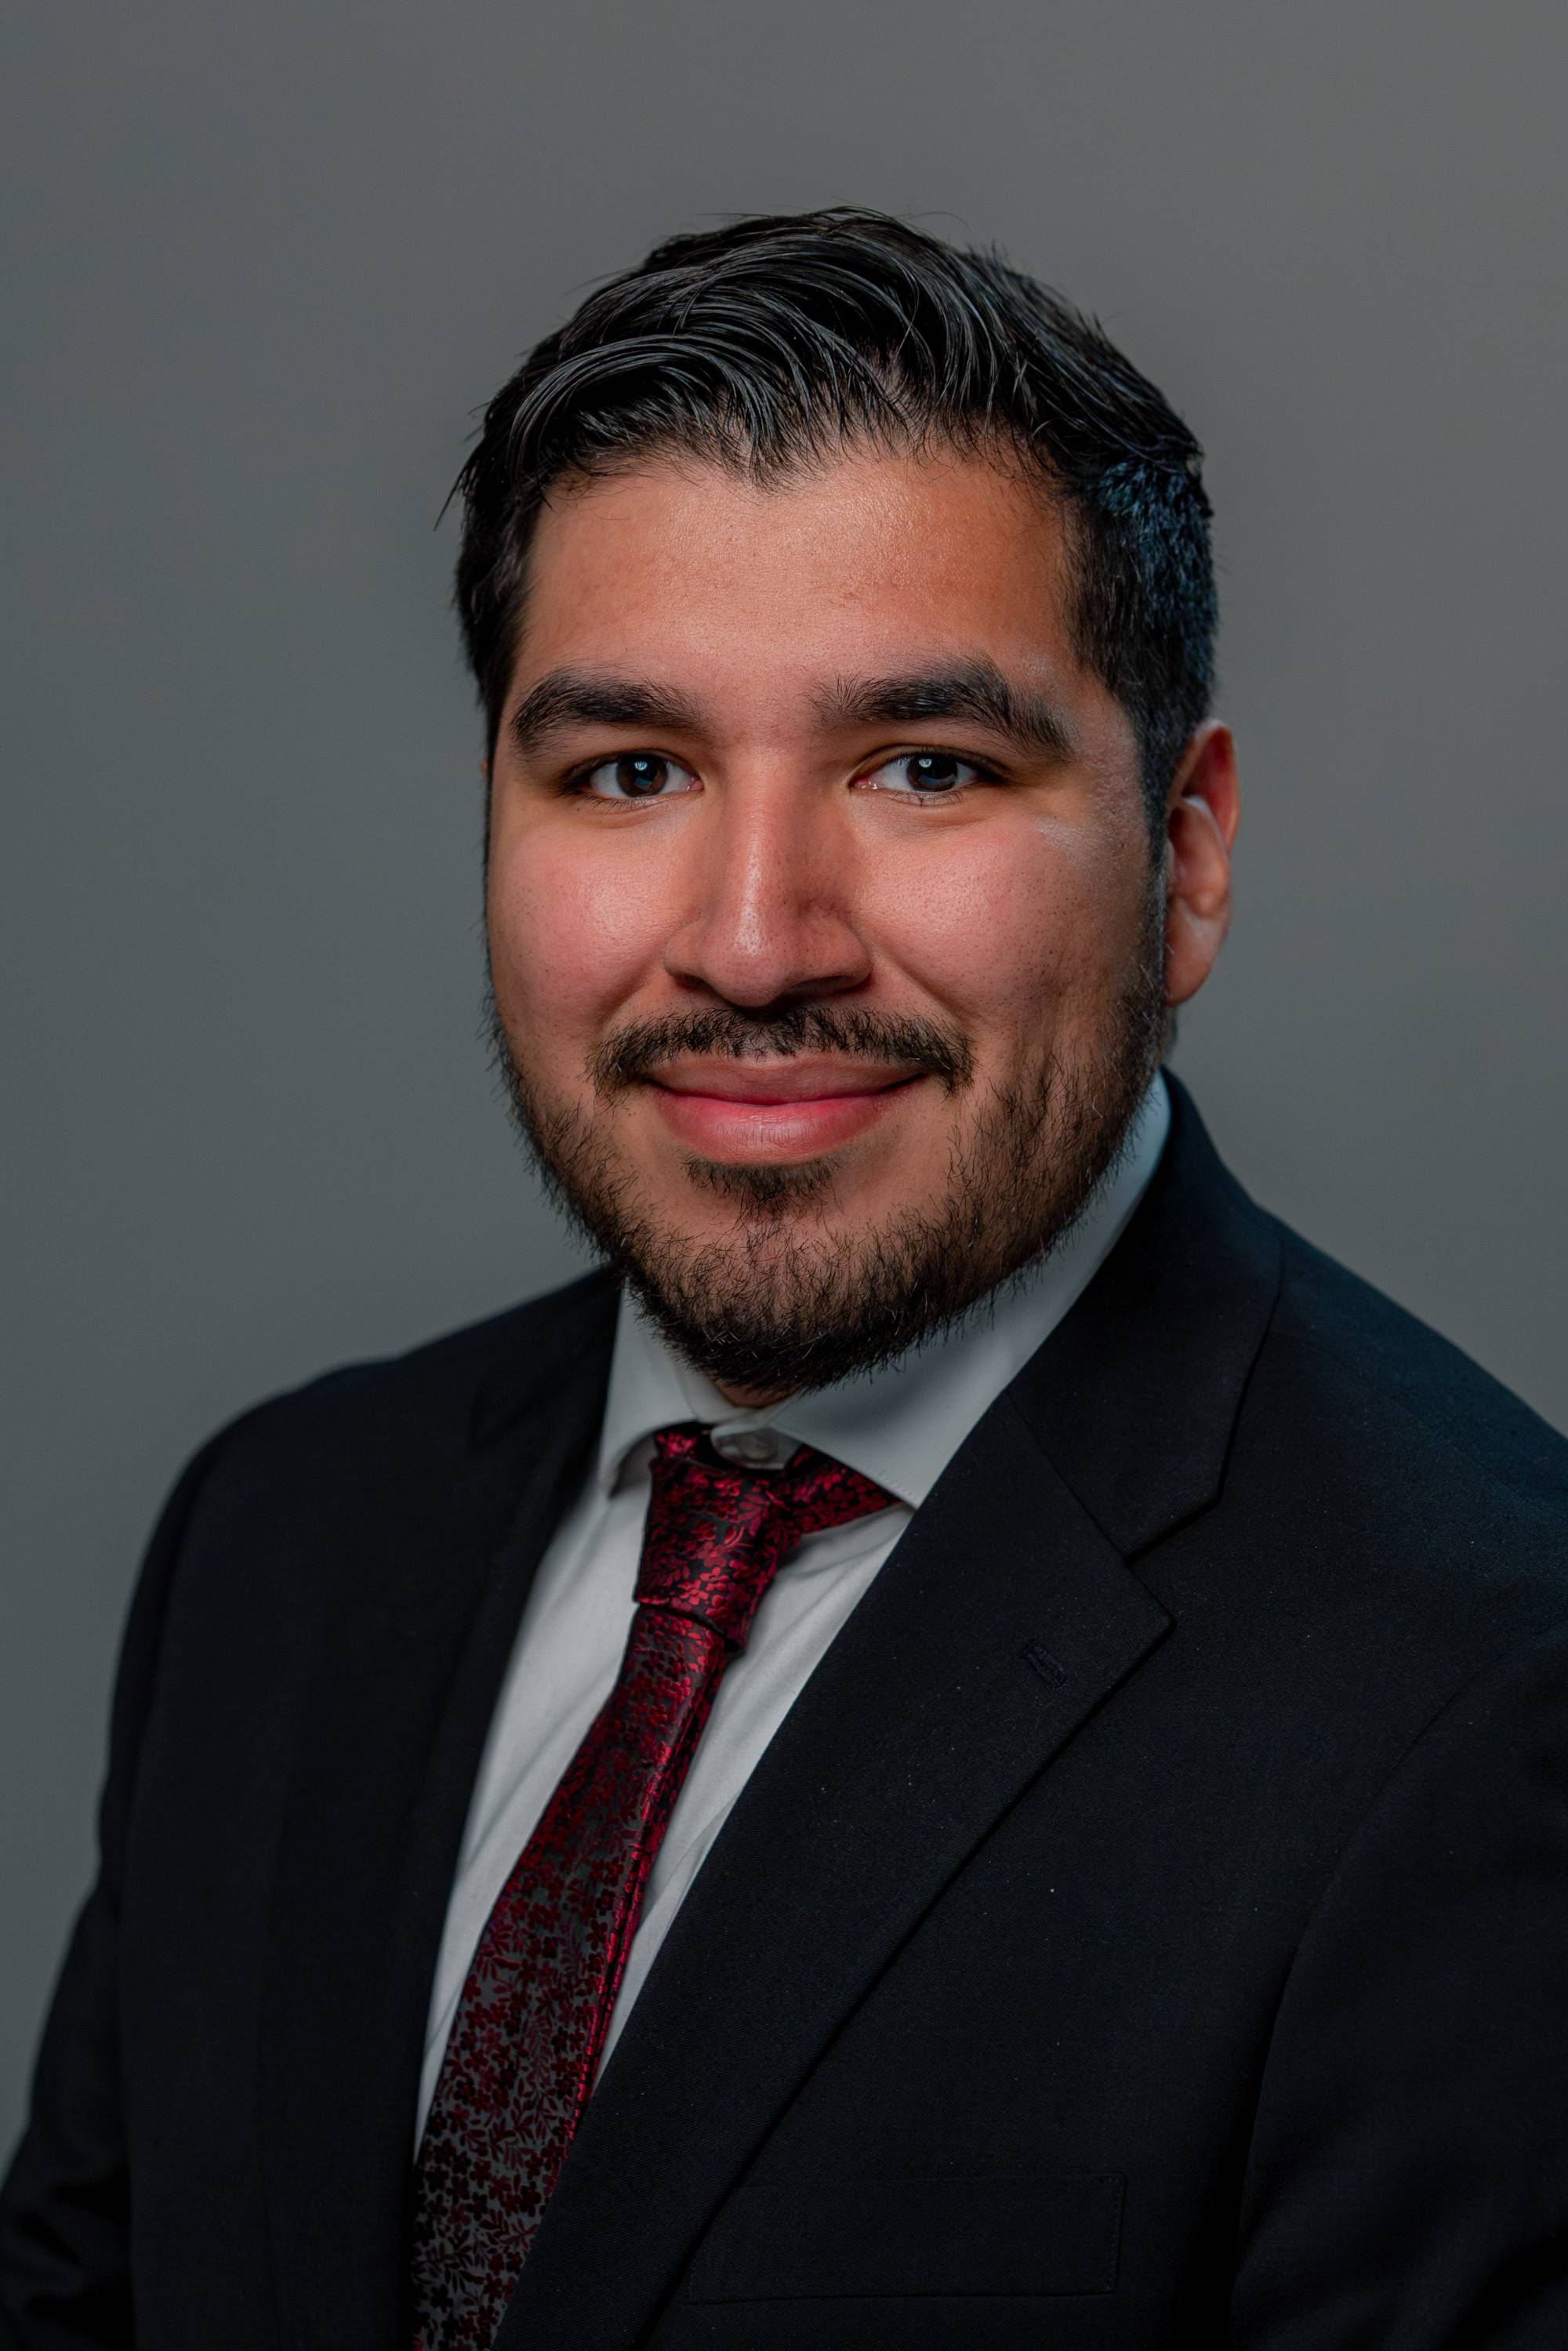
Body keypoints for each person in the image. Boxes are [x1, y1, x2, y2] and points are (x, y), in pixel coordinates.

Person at [3, 206, 1566, 2351]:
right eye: (630, 771)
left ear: (1186, 859)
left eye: (925, 768)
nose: (755, 940)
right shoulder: (279, 1543)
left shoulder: (1488, 1693)